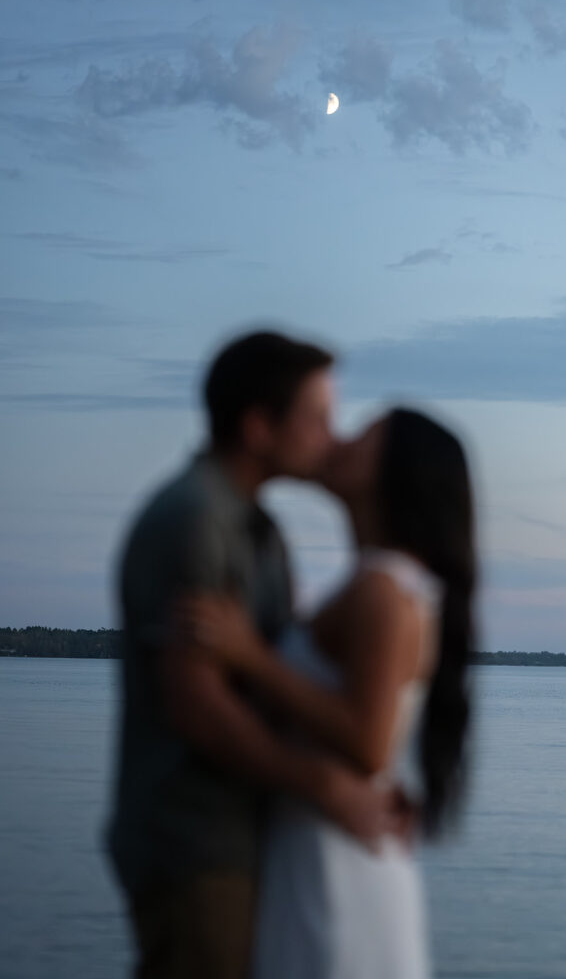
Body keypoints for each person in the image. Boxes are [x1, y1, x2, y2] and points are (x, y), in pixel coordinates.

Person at [106, 332, 396, 979]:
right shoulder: (194, 520)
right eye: (317, 418)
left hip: (241, 837)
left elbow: (269, 684)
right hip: (192, 841)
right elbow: (196, 705)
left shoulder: (258, 532)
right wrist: (325, 786)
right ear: (259, 427)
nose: (331, 437)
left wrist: (362, 781)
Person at [185, 407, 477, 979]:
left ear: (396, 475)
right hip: (320, 846)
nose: (340, 439)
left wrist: (253, 658)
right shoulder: (380, 582)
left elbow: (368, 745)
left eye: (364, 437)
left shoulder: (382, 588)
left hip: (338, 863)